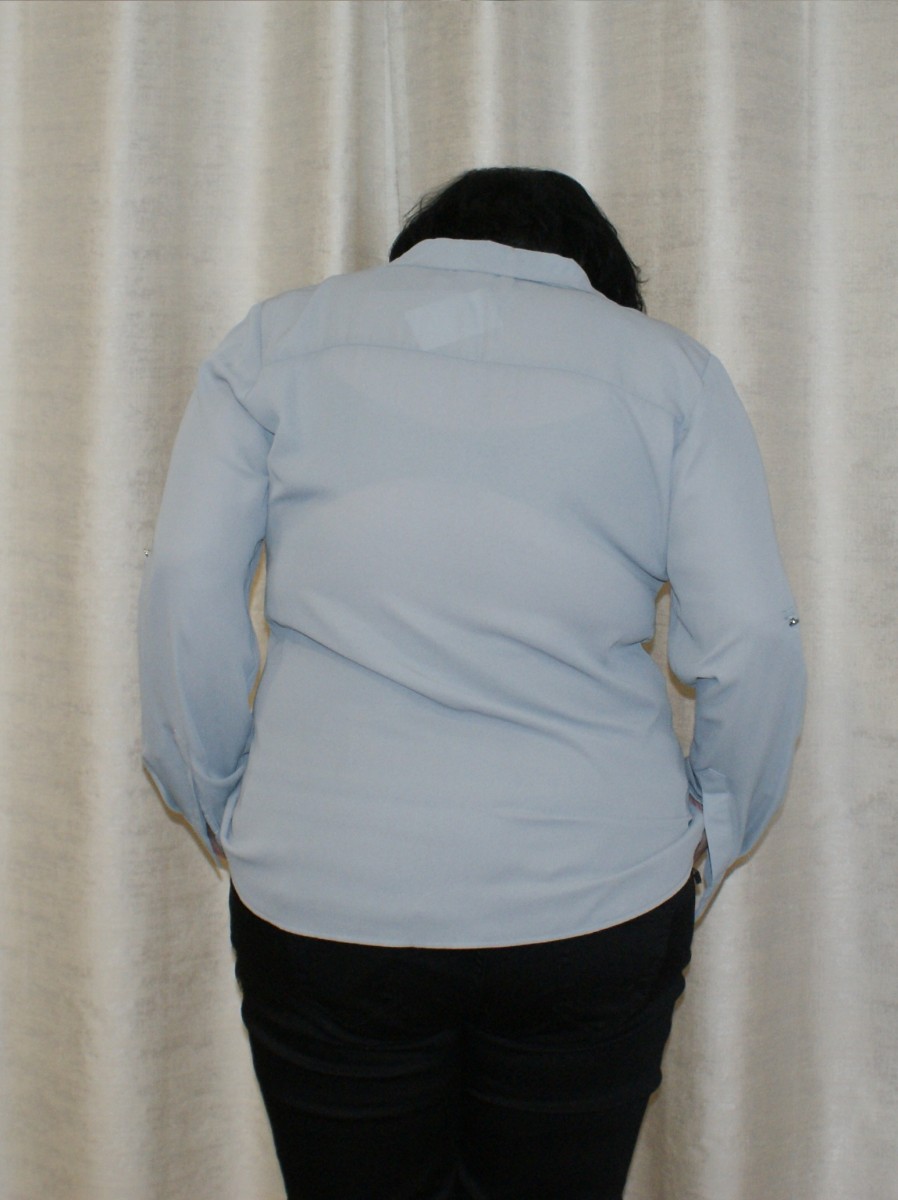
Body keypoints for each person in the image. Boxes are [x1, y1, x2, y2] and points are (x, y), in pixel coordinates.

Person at [139, 167, 805, 1200]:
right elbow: (753, 638)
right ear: (594, 271)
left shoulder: (277, 343)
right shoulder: (670, 372)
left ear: (425, 243)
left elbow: (188, 587)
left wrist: (220, 797)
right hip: (593, 894)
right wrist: (712, 829)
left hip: (327, 889)